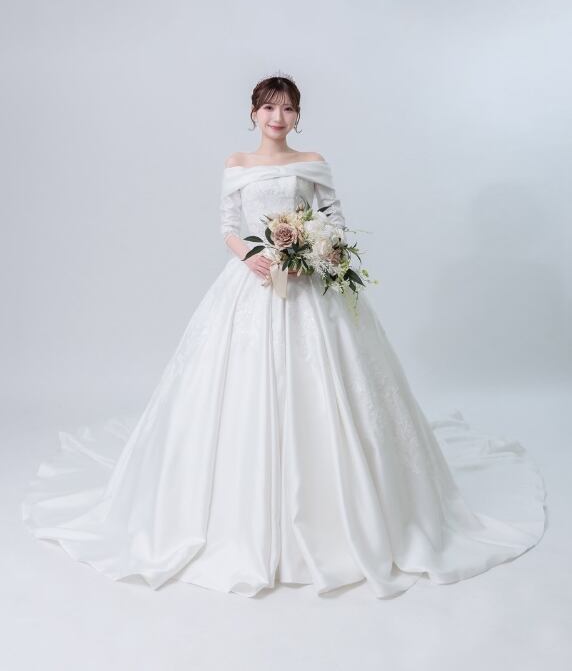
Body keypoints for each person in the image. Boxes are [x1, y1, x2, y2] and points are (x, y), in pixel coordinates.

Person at [21, 73, 548, 599]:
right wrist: (252, 256)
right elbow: (228, 225)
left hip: (308, 285)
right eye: (269, 107)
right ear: (253, 113)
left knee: (329, 387)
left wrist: (312, 253)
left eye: (288, 108)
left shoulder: (312, 161)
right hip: (252, 282)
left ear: (298, 116)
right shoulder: (236, 163)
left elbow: (334, 220)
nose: (278, 117)